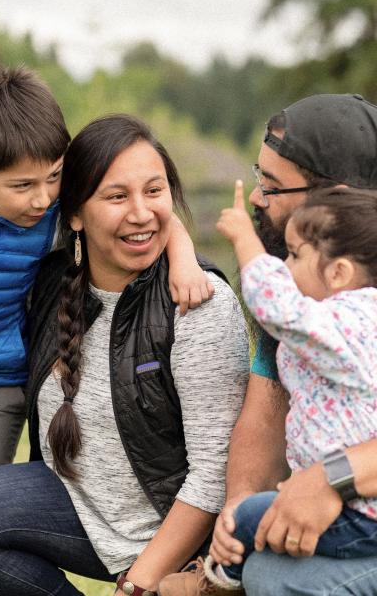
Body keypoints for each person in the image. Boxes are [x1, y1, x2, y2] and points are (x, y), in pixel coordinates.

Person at [0, 113, 249, 596]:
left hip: (168, 533)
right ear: (75, 212)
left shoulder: (196, 303)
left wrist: (139, 584)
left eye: (154, 191)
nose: (141, 212)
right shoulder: (52, 280)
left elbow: (214, 475)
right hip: (79, 508)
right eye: (117, 196)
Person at [159, 93, 377, 596]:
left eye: (272, 186)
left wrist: (332, 478)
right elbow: (265, 410)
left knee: (278, 579)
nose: (257, 198)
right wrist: (237, 513)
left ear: (333, 200)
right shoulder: (308, 288)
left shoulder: (350, 309)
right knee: (262, 565)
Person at [0, 61, 215, 472]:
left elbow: (161, 218)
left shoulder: (54, 212)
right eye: (22, 186)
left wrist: (184, 261)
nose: (41, 197)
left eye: (53, 177)